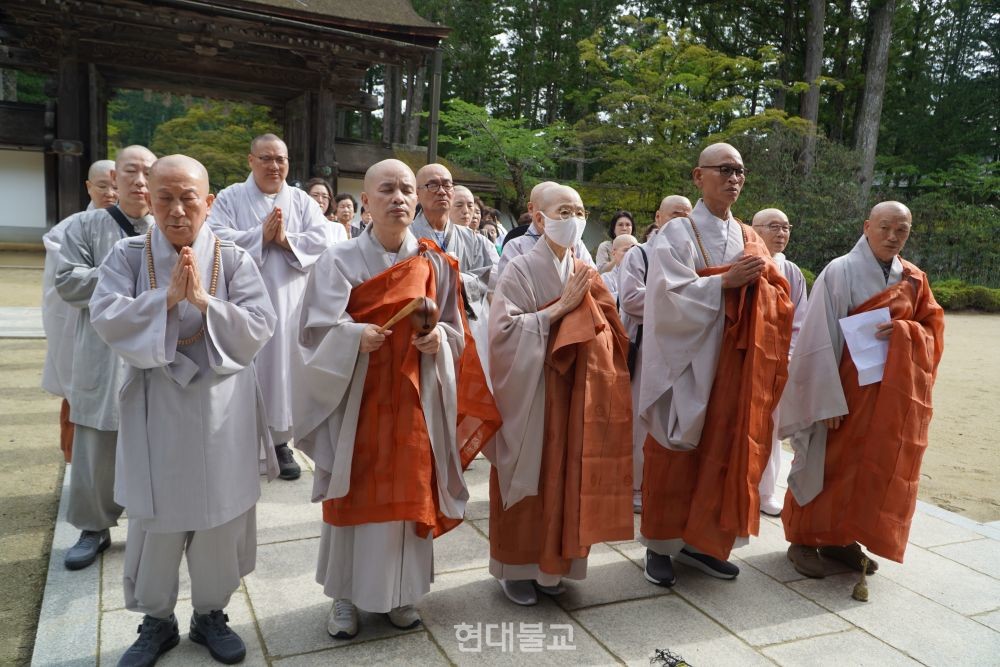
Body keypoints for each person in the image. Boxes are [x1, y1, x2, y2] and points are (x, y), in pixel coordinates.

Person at [292, 159, 499, 638]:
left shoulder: (433, 262)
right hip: (357, 397)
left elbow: (455, 328)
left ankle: (402, 594)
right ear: (366, 201)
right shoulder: (338, 260)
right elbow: (314, 332)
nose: (399, 198)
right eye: (386, 189)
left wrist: (439, 342)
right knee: (353, 490)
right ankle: (344, 597)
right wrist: (351, 337)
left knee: (409, 490)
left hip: (413, 397)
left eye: (407, 189)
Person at [89, 155, 277, 666]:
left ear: (209, 201)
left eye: (187, 197)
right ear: (149, 198)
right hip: (157, 406)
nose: (176, 210)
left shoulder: (234, 258)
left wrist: (205, 303)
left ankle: (210, 614)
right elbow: (105, 316)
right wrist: (164, 302)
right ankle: (157, 621)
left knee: (219, 515)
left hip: (222, 408)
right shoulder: (128, 257)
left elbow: (261, 323)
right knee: (158, 518)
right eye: (164, 197)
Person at [637, 143, 793, 586]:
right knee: (675, 455)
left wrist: (759, 291)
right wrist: (725, 282)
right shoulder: (676, 234)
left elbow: (780, 297)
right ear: (697, 176)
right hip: (686, 363)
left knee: (721, 454)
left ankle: (702, 543)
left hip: (734, 364)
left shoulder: (750, 236)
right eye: (724, 169)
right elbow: (665, 297)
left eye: (740, 170)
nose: (734, 178)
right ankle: (660, 545)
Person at [487, 182, 633, 606]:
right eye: (564, 212)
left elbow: (610, 323)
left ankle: (554, 566)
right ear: (539, 218)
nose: (574, 220)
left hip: (575, 390)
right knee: (527, 474)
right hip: (531, 390)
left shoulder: (584, 269)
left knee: (566, 476)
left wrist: (587, 312)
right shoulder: (517, 267)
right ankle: (514, 569)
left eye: (580, 212)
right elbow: (502, 335)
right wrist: (557, 311)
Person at [780, 201, 944, 579]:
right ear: (867, 226)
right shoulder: (841, 271)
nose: (892, 236)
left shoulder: (914, 278)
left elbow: (932, 330)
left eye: (901, 230)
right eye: (885, 227)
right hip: (842, 392)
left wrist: (909, 332)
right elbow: (818, 337)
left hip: (887, 396)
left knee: (867, 467)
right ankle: (802, 539)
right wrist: (824, 399)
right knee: (826, 464)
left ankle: (841, 537)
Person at [208, 134, 341, 480]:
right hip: (243, 303)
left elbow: (322, 239)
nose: (274, 166)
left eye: (280, 159)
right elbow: (214, 237)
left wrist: (285, 240)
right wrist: (260, 236)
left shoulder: (300, 200)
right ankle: (239, 441)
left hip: (288, 301)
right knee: (245, 367)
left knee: (282, 372)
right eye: (266, 158)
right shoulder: (230, 197)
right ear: (250, 160)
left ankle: (281, 443)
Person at [55, 145, 158, 571]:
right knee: (97, 442)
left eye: (147, 173)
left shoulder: (168, 226)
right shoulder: (85, 225)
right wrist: (119, 273)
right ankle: (93, 527)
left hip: (154, 353)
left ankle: (156, 524)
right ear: (114, 178)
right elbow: (67, 282)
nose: (139, 181)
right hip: (102, 351)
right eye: (130, 172)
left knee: (156, 441)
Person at [617, 195, 693, 513]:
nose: (682, 222)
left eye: (688, 217)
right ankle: (635, 486)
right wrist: (681, 298)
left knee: (678, 418)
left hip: (684, 349)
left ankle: (667, 484)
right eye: (676, 215)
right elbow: (632, 299)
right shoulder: (640, 254)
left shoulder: (694, 254)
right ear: (659, 218)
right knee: (641, 418)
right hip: (647, 347)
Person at [42, 159, 120, 463]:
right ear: (89, 187)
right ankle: (76, 462)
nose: (110, 193)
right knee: (79, 395)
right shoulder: (69, 229)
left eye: (116, 186)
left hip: (117, 332)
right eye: (103, 186)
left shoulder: (144, 226)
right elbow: (61, 290)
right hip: (80, 327)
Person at [750, 208, 808, 517]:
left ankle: (766, 491)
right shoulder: (744, 261)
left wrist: (789, 355)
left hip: (778, 361)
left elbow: (800, 320)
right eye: (774, 226)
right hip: (747, 358)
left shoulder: (792, 272)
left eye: (786, 227)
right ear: (754, 228)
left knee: (770, 429)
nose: (781, 233)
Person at [411, 167, 496, 377]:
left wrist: (447, 277)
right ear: (417, 193)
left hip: (464, 325)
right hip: (420, 326)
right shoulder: (407, 235)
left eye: (447, 185)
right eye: (433, 185)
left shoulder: (471, 238)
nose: (442, 191)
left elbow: (486, 277)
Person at [497, 182, 594, 278]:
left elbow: (593, 279)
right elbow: (509, 288)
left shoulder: (576, 244)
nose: (572, 219)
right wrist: (568, 294)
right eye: (564, 212)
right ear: (532, 209)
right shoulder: (515, 247)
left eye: (579, 213)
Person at [602, 233, 638, 300]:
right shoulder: (606, 279)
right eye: (626, 250)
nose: (630, 253)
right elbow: (608, 303)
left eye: (634, 250)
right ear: (614, 253)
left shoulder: (646, 274)